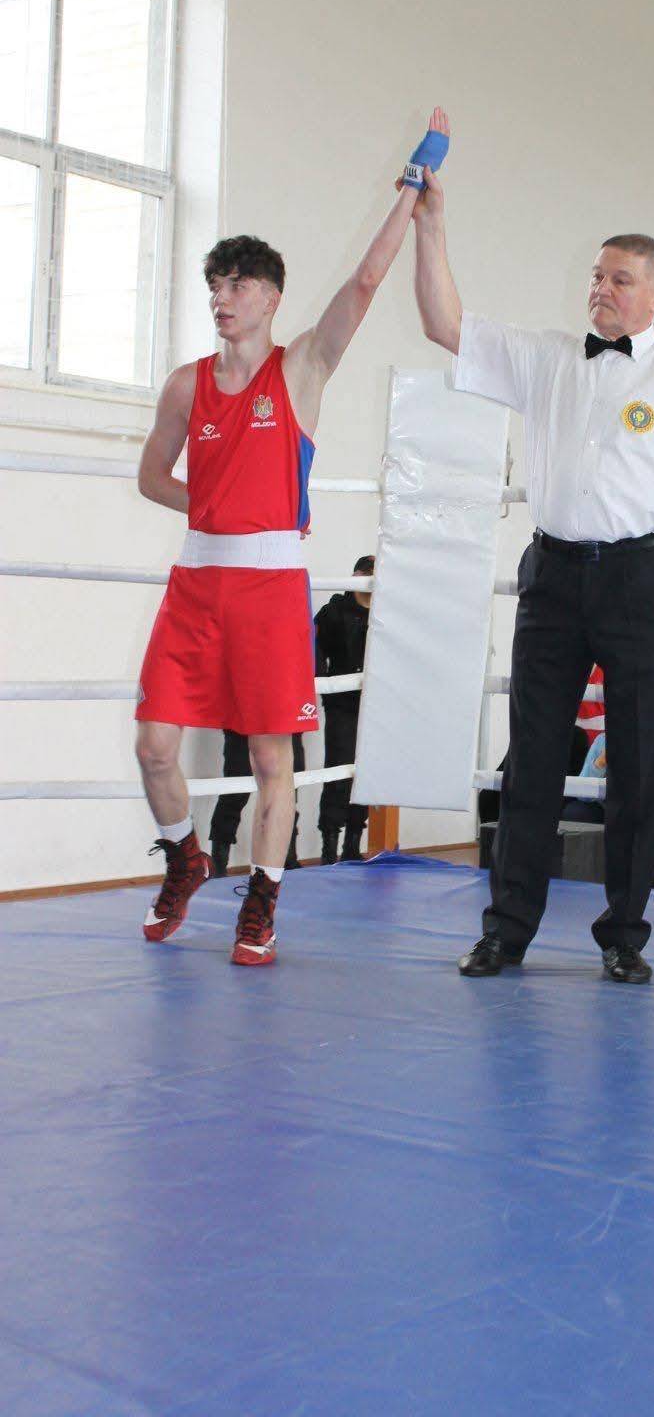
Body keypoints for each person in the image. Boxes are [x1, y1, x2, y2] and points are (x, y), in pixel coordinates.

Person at [412, 132, 654, 982]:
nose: (600, 290)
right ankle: (506, 929)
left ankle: (624, 935)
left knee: (636, 763)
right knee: (531, 761)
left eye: (619, 279)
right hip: (551, 574)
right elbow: (443, 324)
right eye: (596, 276)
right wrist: (430, 225)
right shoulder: (545, 356)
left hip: (639, 578)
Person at [134, 108, 449, 966]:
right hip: (197, 584)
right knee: (154, 745)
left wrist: (413, 188)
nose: (221, 298)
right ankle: (184, 859)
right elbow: (152, 476)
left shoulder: (300, 367)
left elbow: (365, 285)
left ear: (270, 297)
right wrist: (211, 509)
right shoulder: (185, 385)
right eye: (215, 285)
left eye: (237, 285)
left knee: (272, 756)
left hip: (271, 590)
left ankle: (262, 901)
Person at [315, 553, 374, 863]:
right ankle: (329, 847)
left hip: (374, 705)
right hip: (341, 703)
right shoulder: (334, 611)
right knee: (338, 770)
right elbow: (314, 649)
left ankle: (352, 845)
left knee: (366, 773)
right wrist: (323, 686)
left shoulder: (385, 613)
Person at [209, 730, 305, 876]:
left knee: (287, 796)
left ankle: (289, 859)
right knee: (234, 794)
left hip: (287, 726)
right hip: (244, 726)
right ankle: (218, 865)